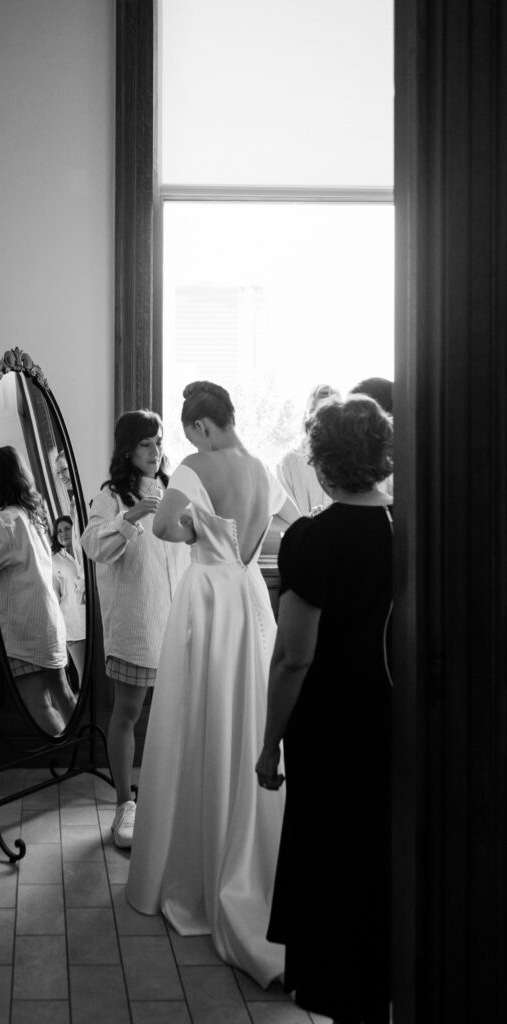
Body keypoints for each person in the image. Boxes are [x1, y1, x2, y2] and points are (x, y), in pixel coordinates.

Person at [126, 381, 287, 988]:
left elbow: (166, 528)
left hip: (207, 596)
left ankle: (193, 864)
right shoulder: (263, 468)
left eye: (187, 428)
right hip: (247, 597)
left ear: (200, 426)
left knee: (198, 715)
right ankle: (249, 856)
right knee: (245, 713)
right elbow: (270, 533)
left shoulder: (194, 464)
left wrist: (198, 531)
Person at [255, 395, 393, 1024]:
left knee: (328, 850)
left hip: (331, 720)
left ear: (321, 462)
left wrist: (268, 744)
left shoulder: (315, 538)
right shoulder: (408, 527)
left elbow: (293, 659)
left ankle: (337, 992)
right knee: (377, 852)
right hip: (390, 713)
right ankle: (380, 983)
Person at [81, 410, 189, 848]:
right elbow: (92, 547)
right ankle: (125, 803)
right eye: (147, 444)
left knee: (174, 716)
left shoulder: (173, 491)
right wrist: (130, 519)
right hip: (136, 623)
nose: (155, 451)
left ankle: (166, 799)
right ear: (128, 448)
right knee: (127, 713)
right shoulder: (111, 496)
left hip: (176, 622)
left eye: (159, 442)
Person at [0, 445, 77, 736]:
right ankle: (82, 751)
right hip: (48, 619)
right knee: (63, 693)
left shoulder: (2, 521)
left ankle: (64, 752)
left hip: (24, 623)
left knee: (37, 704)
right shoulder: (31, 518)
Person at [276, 383, 341, 525]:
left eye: (325, 411)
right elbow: (284, 518)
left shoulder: (352, 460)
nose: (316, 418)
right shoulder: (289, 462)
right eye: (312, 411)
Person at [52, 514, 86, 688]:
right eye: (59, 531)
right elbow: (54, 597)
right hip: (72, 624)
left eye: (67, 528)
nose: (63, 533)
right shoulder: (54, 561)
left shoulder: (85, 552)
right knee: (83, 673)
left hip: (93, 621)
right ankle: (83, 711)